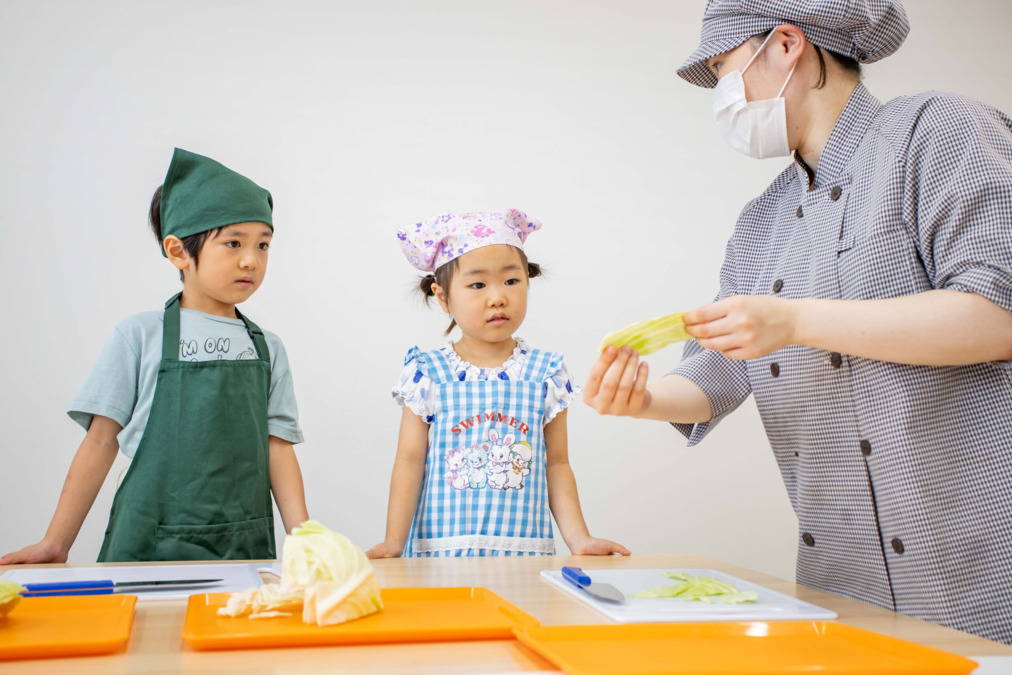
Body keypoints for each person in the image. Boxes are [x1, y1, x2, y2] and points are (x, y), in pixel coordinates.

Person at [583, 0, 1012, 644]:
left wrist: (796, 320)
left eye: (728, 71)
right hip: (840, 575)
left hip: (976, 558)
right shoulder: (762, 222)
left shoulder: (939, 131)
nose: (725, 98)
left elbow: (997, 313)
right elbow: (720, 371)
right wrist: (641, 397)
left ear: (787, 46)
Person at [0, 148, 308, 564]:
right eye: (233, 243)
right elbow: (100, 441)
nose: (251, 260)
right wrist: (57, 542)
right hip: (146, 549)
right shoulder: (140, 335)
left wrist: (307, 541)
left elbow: (278, 448)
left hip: (243, 551)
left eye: (264, 245)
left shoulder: (266, 347)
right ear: (178, 251)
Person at [367, 210, 629, 558]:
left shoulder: (545, 372)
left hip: (524, 555)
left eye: (511, 281)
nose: (498, 298)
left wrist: (579, 539)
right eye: (478, 285)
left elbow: (557, 464)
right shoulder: (427, 373)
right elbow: (410, 460)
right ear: (443, 297)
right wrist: (392, 543)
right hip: (443, 556)